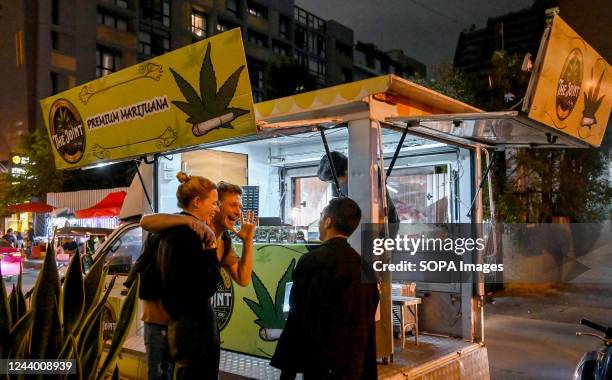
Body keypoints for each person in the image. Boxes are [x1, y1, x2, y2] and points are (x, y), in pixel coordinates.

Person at [271, 197, 379, 380]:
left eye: (321, 216)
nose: (320, 221)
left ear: (328, 221)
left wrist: (287, 371)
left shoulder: (313, 261)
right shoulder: (365, 267)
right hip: (355, 365)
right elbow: (368, 320)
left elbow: (298, 316)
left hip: (321, 364)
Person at [317, 151, 400, 224]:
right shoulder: (343, 184)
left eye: (334, 181)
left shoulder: (369, 171)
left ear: (344, 171)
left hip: (386, 223)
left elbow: (379, 202)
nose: (335, 184)